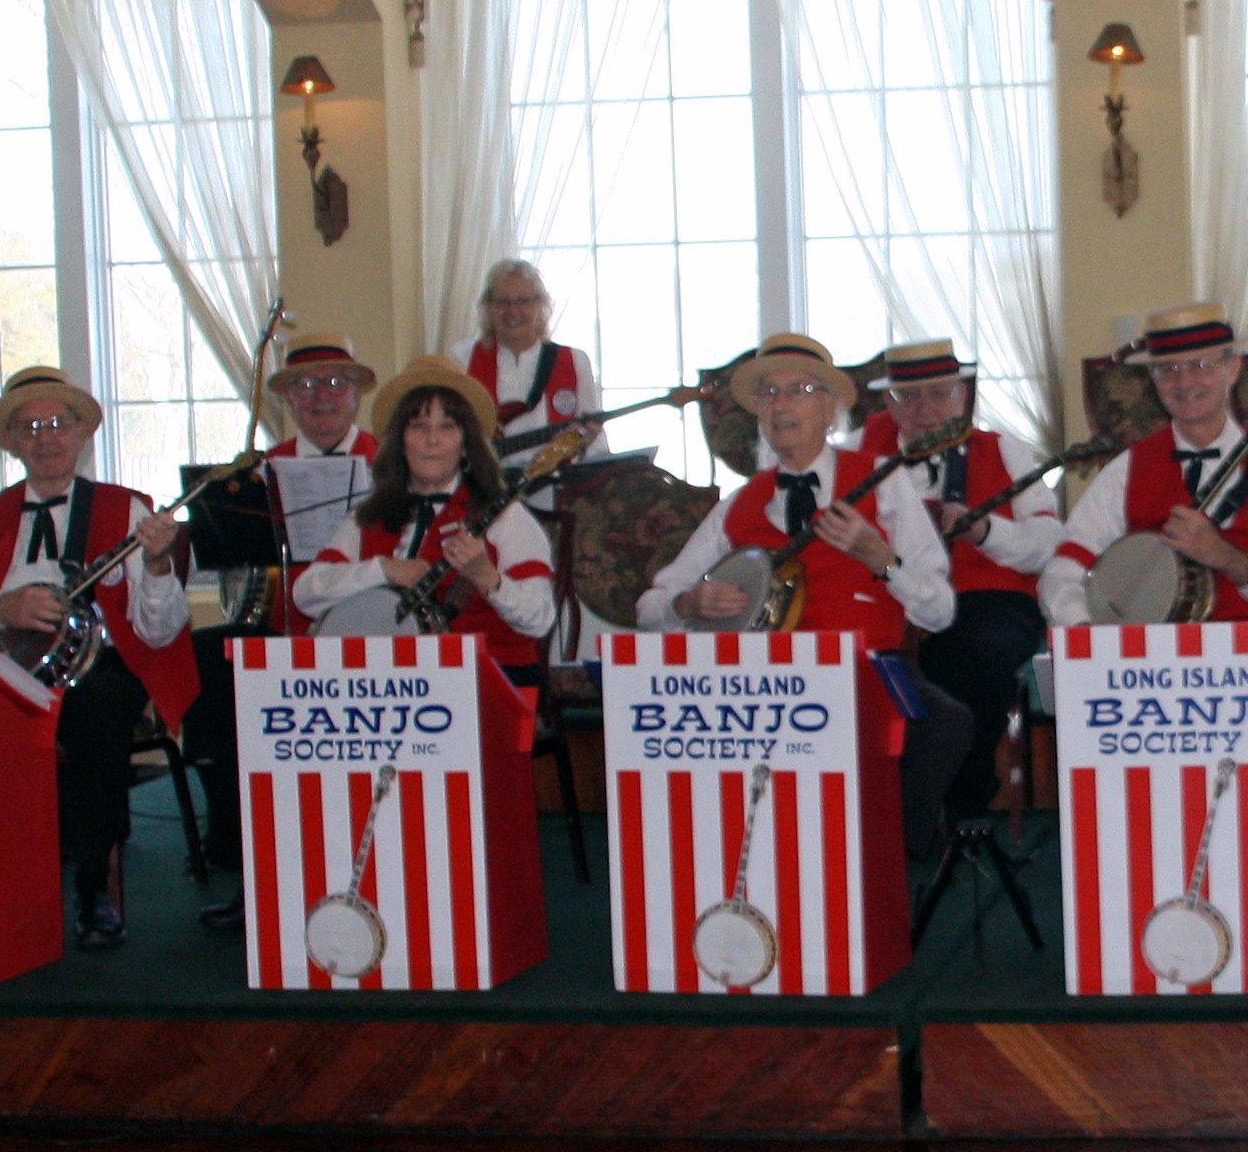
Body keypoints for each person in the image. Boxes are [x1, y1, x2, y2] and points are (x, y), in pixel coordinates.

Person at [638, 334, 979, 852]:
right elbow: (651, 607)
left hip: (866, 669)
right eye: (769, 394)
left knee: (946, 724)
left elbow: (940, 608)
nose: (781, 404)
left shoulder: (882, 483)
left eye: (800, 390)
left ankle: (885, 861)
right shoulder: (740, 503)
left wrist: (881, 560)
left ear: (829, 409)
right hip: (767, 686)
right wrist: (689, 603)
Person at [0, 367, 198, 952]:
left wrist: (155, 567)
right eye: (30, 427)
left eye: (58, 423)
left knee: (95, 706)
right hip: (11, 670)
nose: (45, 437)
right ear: (12, 442)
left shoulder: (127, 509)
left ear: (81, 434)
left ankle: (91, 885)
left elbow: (160, 629)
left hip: (101, 668)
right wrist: (3, 606)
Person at [191, 333, 380, 930]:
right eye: (305, 386)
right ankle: (246, 867)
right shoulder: (257, 472)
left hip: (368, 636)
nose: (320, 397)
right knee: (212, 661)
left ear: (355, 395)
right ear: (289, 400)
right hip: (284, 631)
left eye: (334, 384)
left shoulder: (391, 462)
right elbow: (215, 559)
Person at [848, 340, 1062, 831]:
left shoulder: (1004, 450)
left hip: (985, 595)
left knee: (973, 660)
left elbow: (1051, 541)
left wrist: (988, 532)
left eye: (939, 395)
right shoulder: (856, 450)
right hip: (886, 593)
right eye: (911, 397)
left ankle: (956, 809)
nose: (926, 410)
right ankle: (870, 813)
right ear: (888, 402)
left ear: (963, 397)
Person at [1040, 302, 1248, 631]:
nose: (1184, 381)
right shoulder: (1127, 470)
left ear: (1232, 370)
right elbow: (1062, 570)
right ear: (1153, 379)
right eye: (1168, 369)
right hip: (1152, 665)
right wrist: (1085, 632)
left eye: (1201, 365)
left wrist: (1229, 559)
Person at [291, 357, 557, 670]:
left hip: (485, 681)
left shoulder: (504, 517)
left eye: (447, 426)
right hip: (387, 689)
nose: (432, 440)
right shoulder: (367, 517)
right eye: (419, 426)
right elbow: (306, 593)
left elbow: (540, 619)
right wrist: (383, 570)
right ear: (400, 441)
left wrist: (487, 577)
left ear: (465, 444)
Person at [447, 259, 600, 465]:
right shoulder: (462, 358)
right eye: (503, 302)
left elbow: (594, 441)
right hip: (488, 490)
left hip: (558, 488)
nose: (513, 311)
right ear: (488, 307)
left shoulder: (574, 361)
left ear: (540, 305)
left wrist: (586, 443)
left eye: (523, 301)